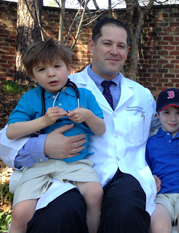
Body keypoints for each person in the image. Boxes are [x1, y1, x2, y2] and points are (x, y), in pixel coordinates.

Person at [0, 18, 158, 233]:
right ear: (92, 46)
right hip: (70, 173)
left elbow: (160, 133)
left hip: (126, 175)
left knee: (126, 210)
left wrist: (161, 172)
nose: (114, 51)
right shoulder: (58, 83)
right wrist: (44, 146)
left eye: (120, 46)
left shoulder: (142, 95)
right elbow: (6, 140)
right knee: (61, 213)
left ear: (127, 51)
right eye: (107, 43)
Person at [7, 38, 105, 233]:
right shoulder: (31, 98)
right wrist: (43, 121)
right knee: (21, 212)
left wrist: (88, 115)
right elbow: (11, 132)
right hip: (40, 165)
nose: (51, 73)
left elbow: (100, 129)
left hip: (76, 163)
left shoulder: (84, 96)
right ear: (32, 75)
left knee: (95, 194)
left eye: (57, 66)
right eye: (41, 70)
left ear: (69, 68)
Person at [146, 88, 179, 233]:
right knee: (158, 226)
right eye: (166, 112)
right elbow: (144, 169)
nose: (173, 118)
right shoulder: (150, 142)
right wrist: (150, 177)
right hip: (161, 195)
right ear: (158, 114)